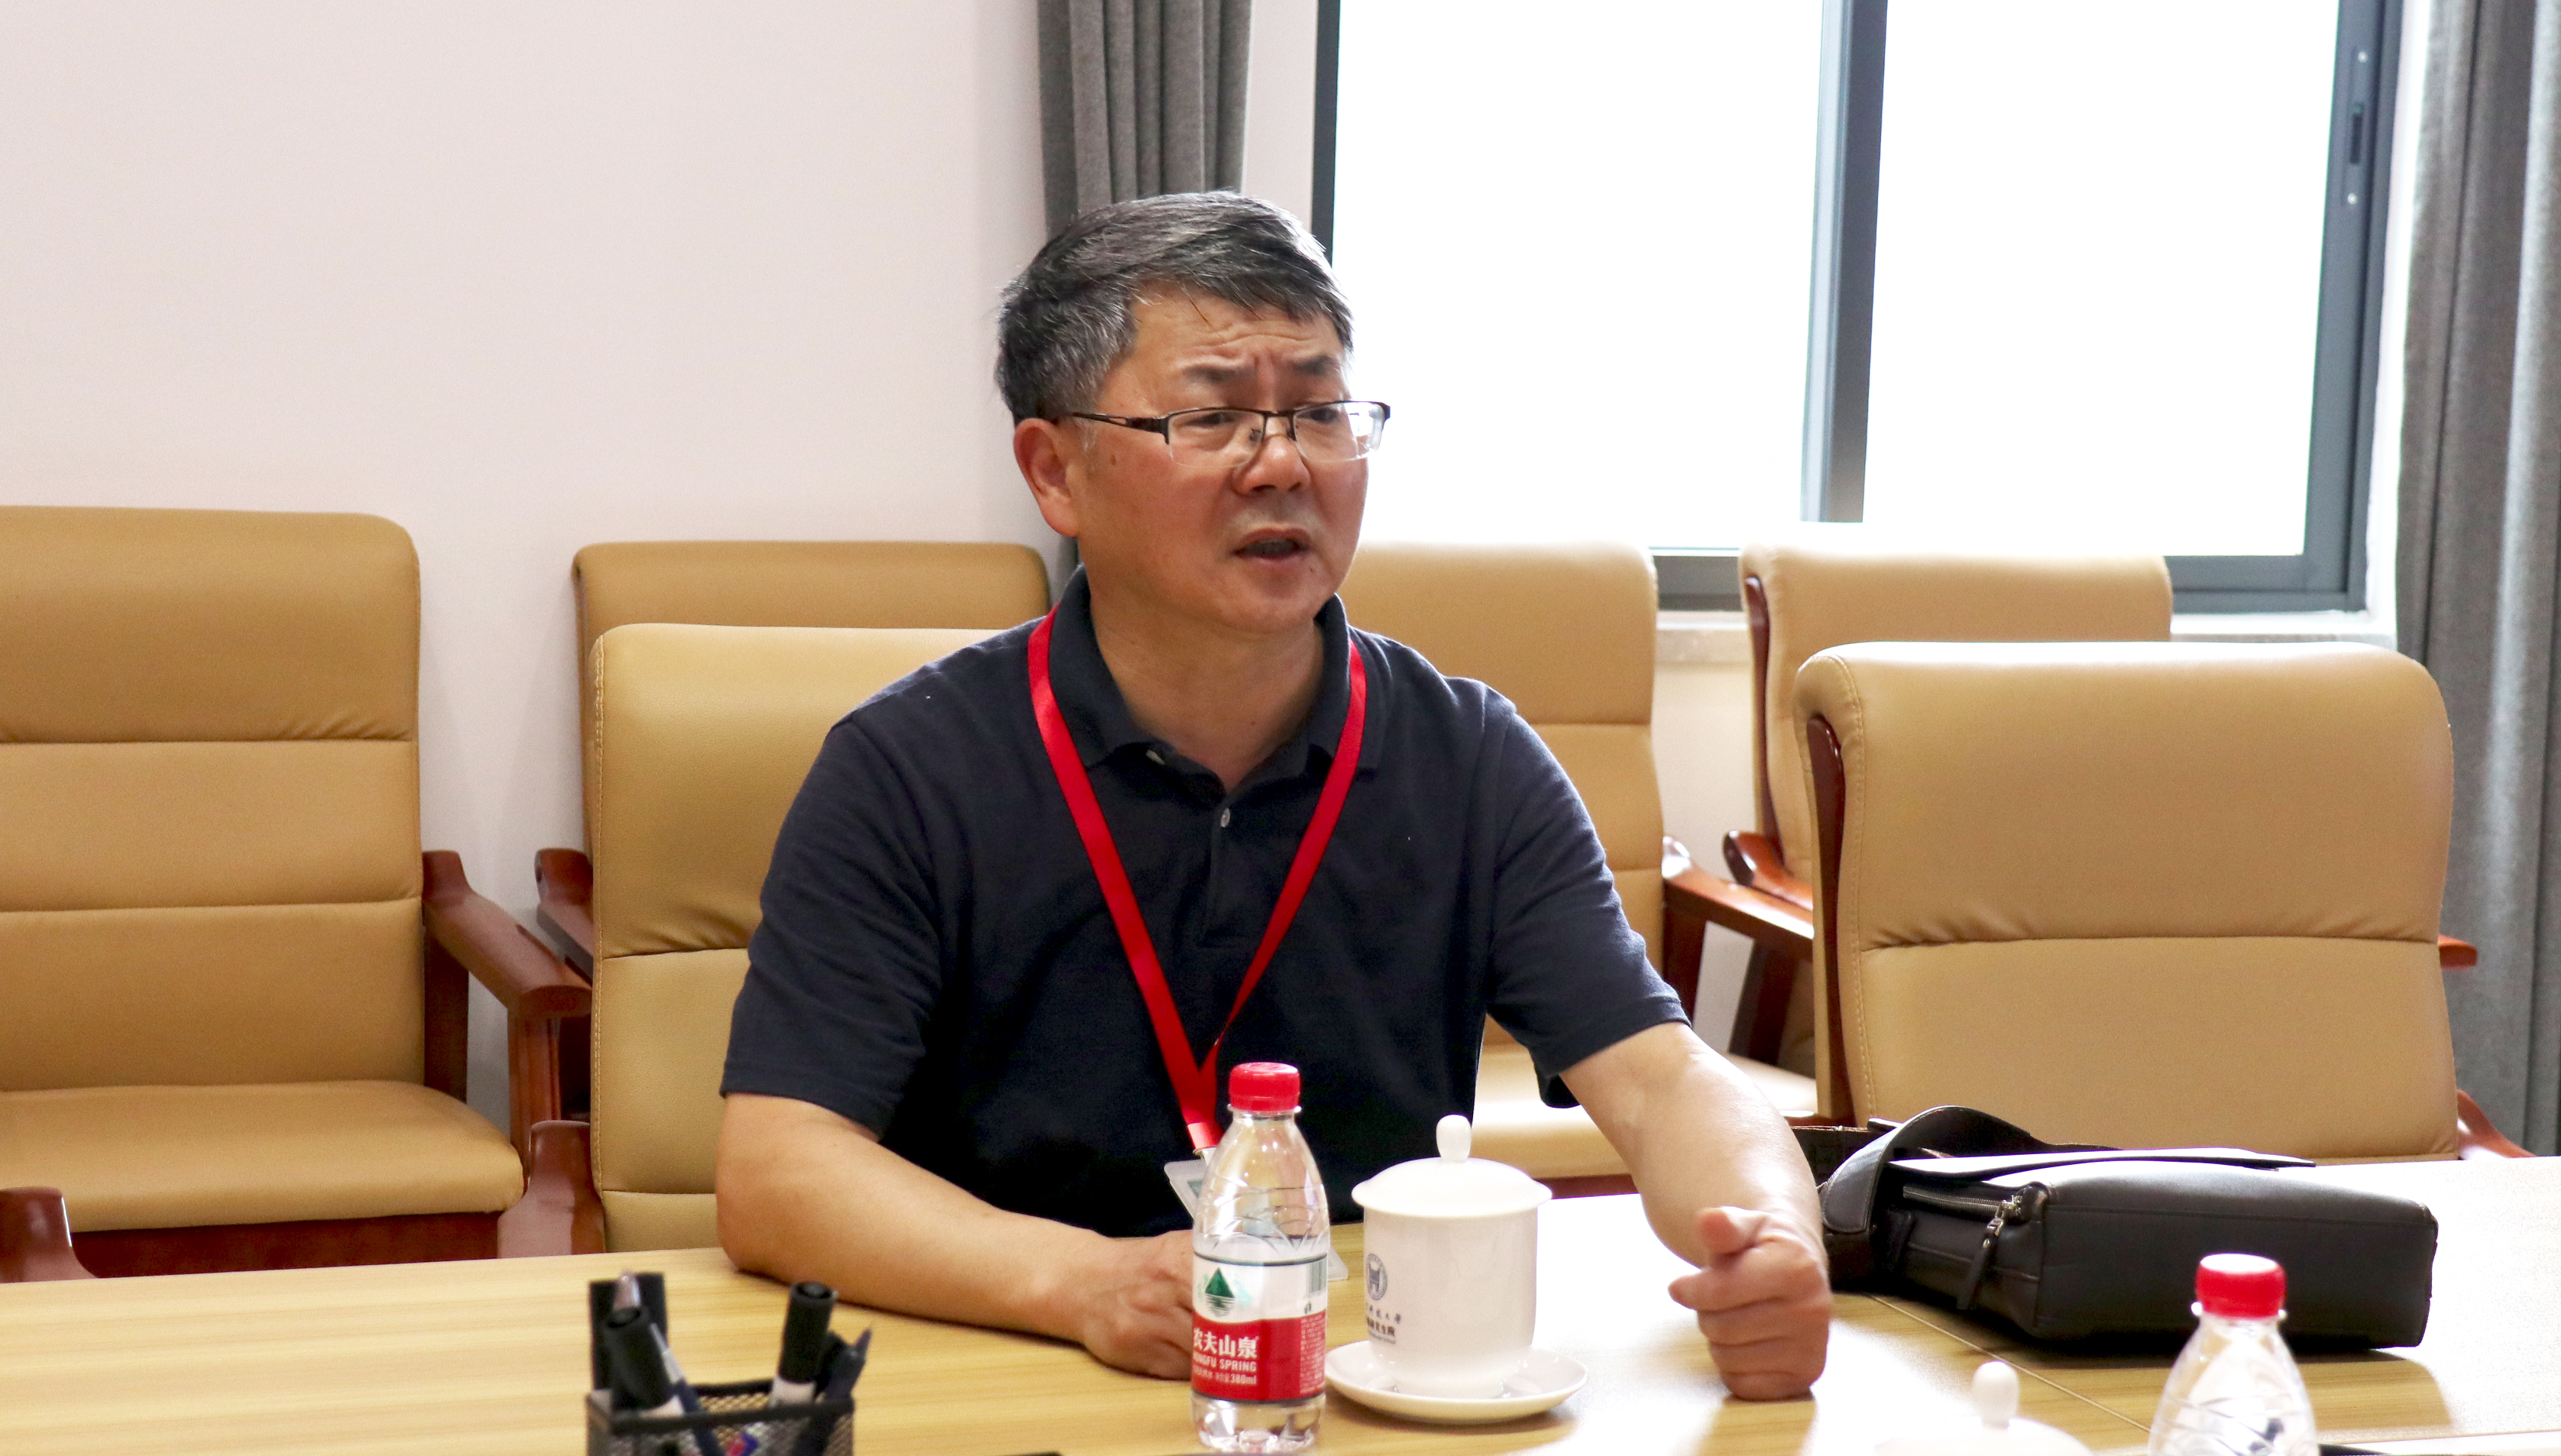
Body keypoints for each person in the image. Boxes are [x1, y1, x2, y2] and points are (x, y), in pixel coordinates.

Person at [714, 191, 1831, 1399]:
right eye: (1211, 416)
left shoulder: (1468, 757)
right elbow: (779, 1167)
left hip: (1347, 1380)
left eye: (1319, 410)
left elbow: (1661, 1078)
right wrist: (1078, 1282)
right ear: (1055, 470)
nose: (1285, 463)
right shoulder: (910, 766)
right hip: (997, 1369)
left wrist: (1768, 1231)